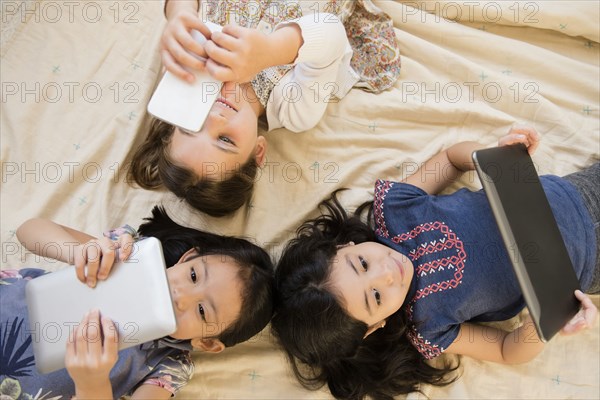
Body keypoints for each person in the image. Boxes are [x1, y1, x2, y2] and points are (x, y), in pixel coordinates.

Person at [270, 126, 599, 400]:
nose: (388, 273)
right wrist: (545, 322)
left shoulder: (396, 210)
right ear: (374, 328)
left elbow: (451, 159)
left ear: (345, 246)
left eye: (363, 264)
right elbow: (505, 350)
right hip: (587, 265)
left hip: (571, 195)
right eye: (376, 297)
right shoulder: (429, 327)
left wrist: (491, 157)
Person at [128, 0, 400, 217]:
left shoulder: (195, 63)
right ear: (258, 151)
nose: (216, 117)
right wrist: (270, 51)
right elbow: (330, 34)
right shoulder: (293, 108)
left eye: (193, 125)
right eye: (225, 139)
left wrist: (179, 13)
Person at [1, 206, 274, 399]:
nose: (181, 295)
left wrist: (92, 384)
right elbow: (29, 230)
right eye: (193, 275)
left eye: (202, 310)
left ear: (207, 342)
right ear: (187, 257)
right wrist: (78, 252)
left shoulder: (168, 366)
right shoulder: (128, 255)